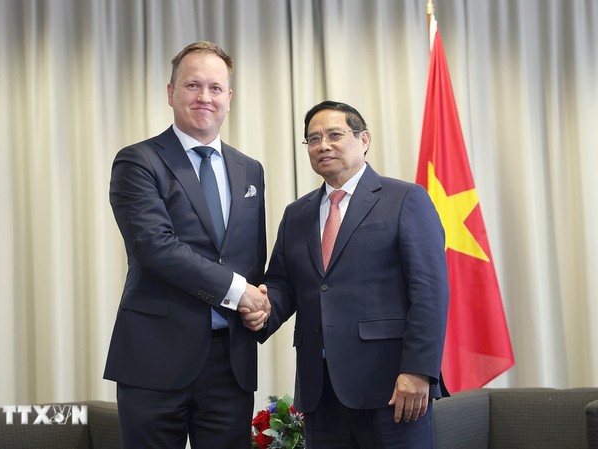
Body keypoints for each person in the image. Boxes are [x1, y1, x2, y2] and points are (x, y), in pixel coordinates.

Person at [103, 41, 270, 449]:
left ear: (229, 98)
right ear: (171, 92)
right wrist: (240, 291)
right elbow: (155, 248)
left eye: (215, 88)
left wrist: (265, 305)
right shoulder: (138, 161)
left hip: (229, 364)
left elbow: (251, 257)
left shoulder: (250, 169)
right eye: (193, 85)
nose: (204, 97)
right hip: (155, 359)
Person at [256, 100, 449, 448]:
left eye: (335, 135)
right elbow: (283, 284)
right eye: (314, 139)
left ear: (364, 139)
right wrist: (261, 307)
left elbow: (430, 293)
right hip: (321, 392)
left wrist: (419, 371)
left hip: (392, 389)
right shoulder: (296, 214)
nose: (323, 145)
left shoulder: (405, 199)